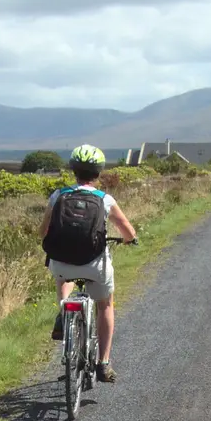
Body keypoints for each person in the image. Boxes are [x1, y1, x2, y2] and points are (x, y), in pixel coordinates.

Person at [39, 143, 138, 383]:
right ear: (99, 172)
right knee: (105, 304)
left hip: (61, 262)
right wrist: (130, 240)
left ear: (73, 169)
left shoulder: (59, 195)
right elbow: (127, 230)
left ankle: (64, 310)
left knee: (63, 276)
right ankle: (103, 363)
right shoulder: (104, 199)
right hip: (94, 263)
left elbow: (43, 231)